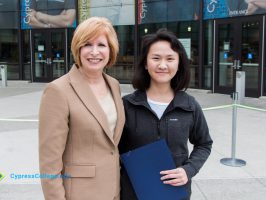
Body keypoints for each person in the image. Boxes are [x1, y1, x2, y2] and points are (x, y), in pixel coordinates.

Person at [119, 29, 213, 200]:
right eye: (156, 58)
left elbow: (204, 144)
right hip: (134, 193)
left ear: (179, 64)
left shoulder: (189, 105)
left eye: (170, 59)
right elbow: (115, 150)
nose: (162, 65)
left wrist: (188, 170)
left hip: (174, 193)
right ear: (146, 63)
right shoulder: (127, 105)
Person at [39, 17, 125, 200]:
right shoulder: (58, 90)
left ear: (111, 50)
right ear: (78, 49)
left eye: (101, 45)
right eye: (87, 44)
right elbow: (49, 162)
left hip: (113, 190)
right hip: (80, 193)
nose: (94, 52)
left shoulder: (114, 85)